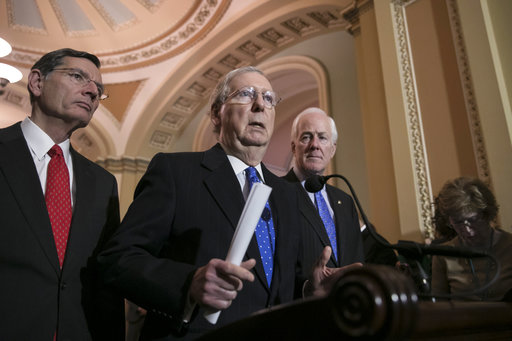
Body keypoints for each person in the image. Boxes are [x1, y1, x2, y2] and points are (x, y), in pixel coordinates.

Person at [98, 66, 360, 340]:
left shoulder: (286, 193)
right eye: (246, 94)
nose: (260, 104)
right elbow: (118, 259)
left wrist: (309, 290)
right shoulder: (176, 173)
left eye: (269, 98)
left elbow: (274, 284)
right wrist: (188, 284)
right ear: (216, 113)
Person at [0, 48, 124, 339]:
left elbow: (104, 279)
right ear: (37, 82)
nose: (92, 91)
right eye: (78, 76)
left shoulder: (103, 183)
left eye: (99, 89)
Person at [283, 107, 364, 273]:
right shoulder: (276, 192)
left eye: (322, 138)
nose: (315, 145)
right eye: (306, 137)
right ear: (293, 147)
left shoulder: (345, 201)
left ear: (332, 150)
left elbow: (356, 259)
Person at [431, 176, 512, 301]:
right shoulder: (443, 255)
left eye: (473, 220)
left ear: (487, 214)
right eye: (458, 222)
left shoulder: (508, 246)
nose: (467, 230)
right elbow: (439, 308)